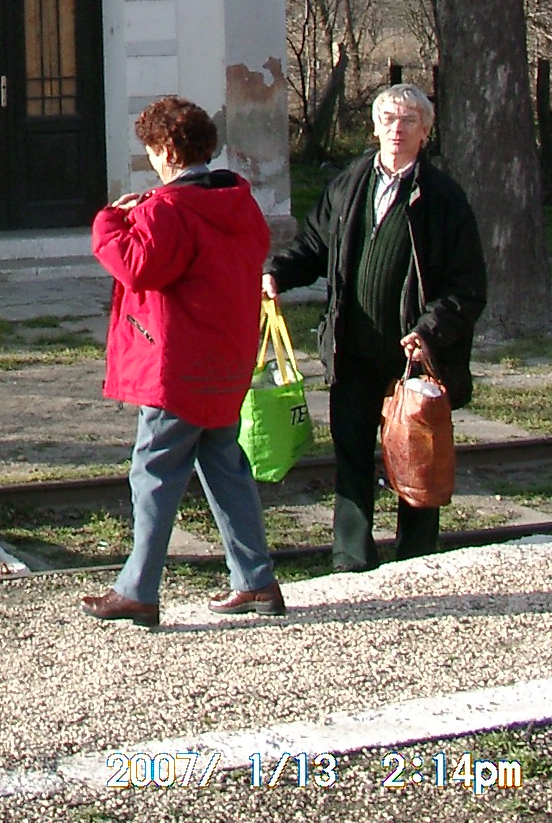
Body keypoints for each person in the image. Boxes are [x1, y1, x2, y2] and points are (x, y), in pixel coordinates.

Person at [265, 81, 485, 572]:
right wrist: (278, 274)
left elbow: (468, 287)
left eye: (409, 121)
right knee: (350, 451)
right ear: (374, 127)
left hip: (414, 357)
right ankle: (351, 558)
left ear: (425, 132)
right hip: (352, 348)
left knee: (415, 455)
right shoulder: (351, 183)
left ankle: (416, 557)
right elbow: (315, 245)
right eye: (388, 119)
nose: (397, 129)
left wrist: (428, 331)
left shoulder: (444, 198)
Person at [82, 95, 282, 629]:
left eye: (151, 148)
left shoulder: (165, 210)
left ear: (168, 151)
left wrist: (109, 222)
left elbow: (138, 267)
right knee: (225, 467)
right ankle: (256, 580)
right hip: (227, 359)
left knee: (153, 471)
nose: (150, 158)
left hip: (176, 364)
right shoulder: (240, 202)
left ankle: (138, 590)